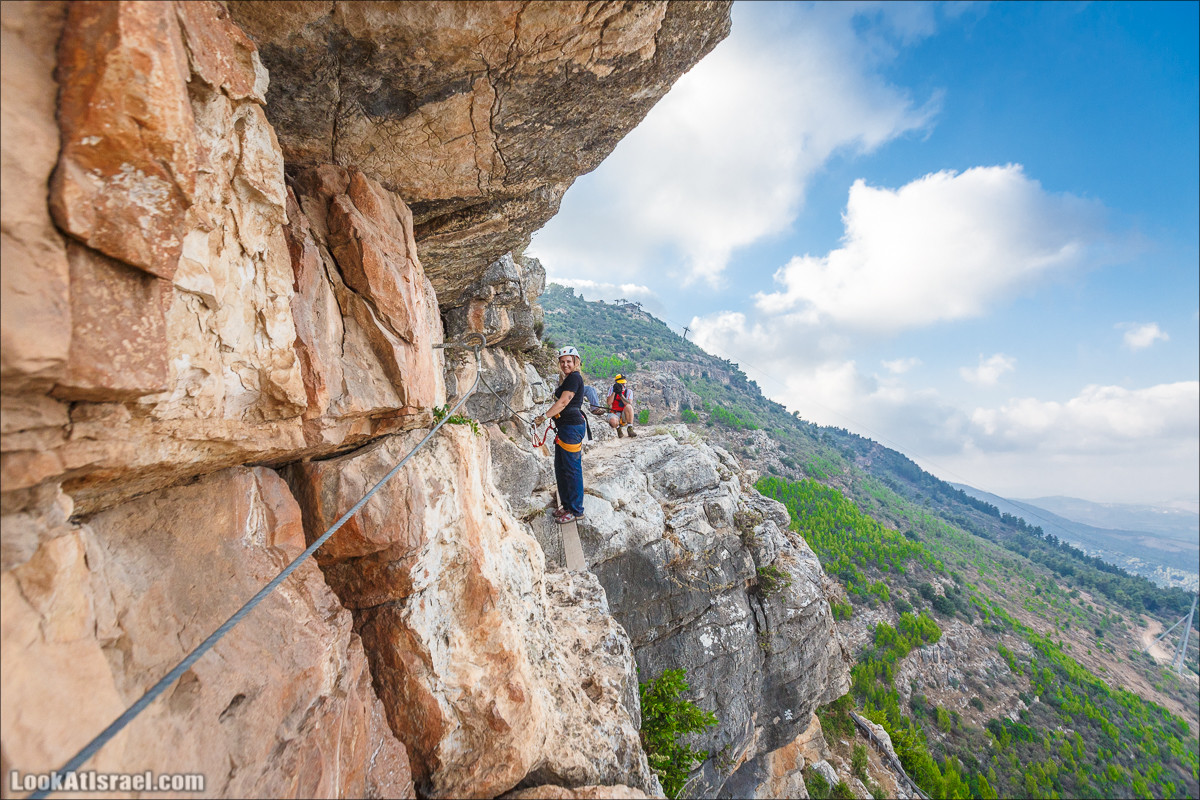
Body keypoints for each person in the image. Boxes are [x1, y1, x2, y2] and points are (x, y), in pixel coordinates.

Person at [534, 346, 587, 523]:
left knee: (572, 470)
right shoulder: (567, 379)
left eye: (569, 362)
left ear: (575, 363)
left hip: (572, 428)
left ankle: (576, 510)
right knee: (562, 468)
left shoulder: (574, 378)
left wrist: (544, 417)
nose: (565, 364)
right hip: (565, 428)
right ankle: (566, 505)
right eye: (563, 362)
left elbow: (564, 401)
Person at [606, 374, 637, 438]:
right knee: (613, 421)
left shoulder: (629, 391)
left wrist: (620, 394)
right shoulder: (612, 389)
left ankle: (630, 428)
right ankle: (618, 429)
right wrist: (614, 392)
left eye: (624, 383)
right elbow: (609, 403)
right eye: (621, 383)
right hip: (614, 412)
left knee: (629, 407)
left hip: (624, 414)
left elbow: (628, 403)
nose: (623, 385)